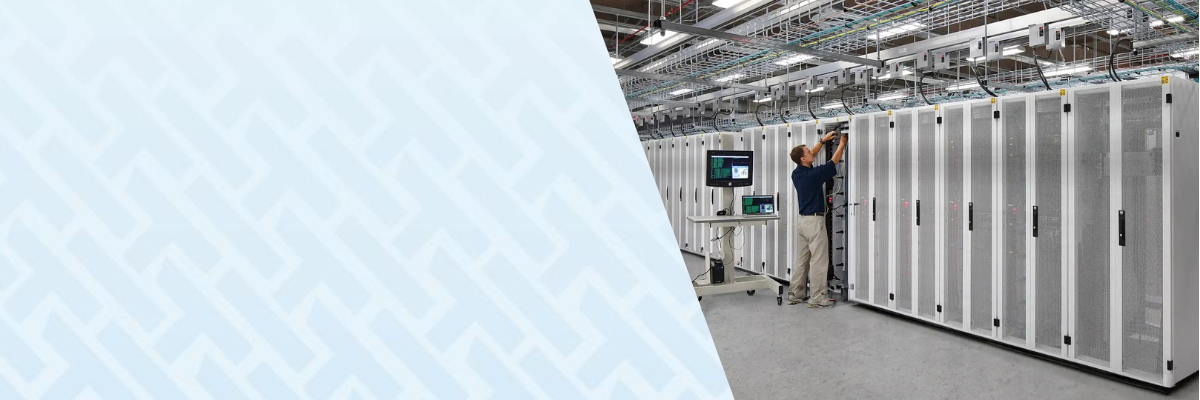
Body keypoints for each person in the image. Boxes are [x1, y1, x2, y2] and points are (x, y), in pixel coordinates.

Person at [788, 130, 846, 308]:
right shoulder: (812, 176)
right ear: (803, 159)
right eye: (808, 152)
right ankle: (818, 298)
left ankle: (796, 293)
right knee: (819, 260)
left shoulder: (797, 173)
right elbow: (833, 163)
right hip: (814, 222)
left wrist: (822, 141)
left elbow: (811, 154)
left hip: (802, 222)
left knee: (802, 259)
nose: (812, 153)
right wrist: (842, 143)